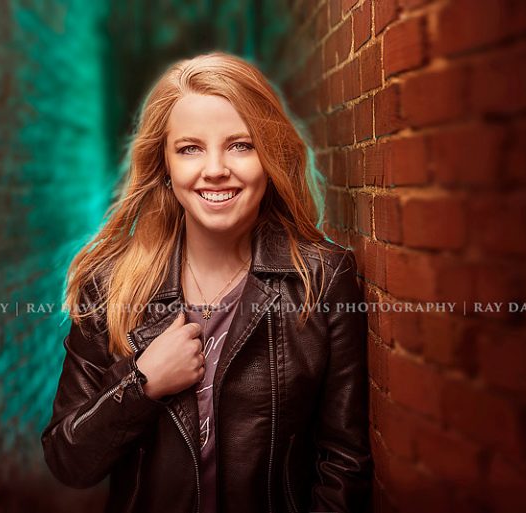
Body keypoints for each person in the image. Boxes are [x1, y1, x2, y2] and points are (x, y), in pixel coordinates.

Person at [41, 51, 371, 513]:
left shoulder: (323, 278)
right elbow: (67, 459)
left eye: (240, 144)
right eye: (190, 148)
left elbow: (343, 462)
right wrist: (142, 385)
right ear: (166, 165)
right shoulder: (110, 283)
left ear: (270, 156)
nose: (215, 168)